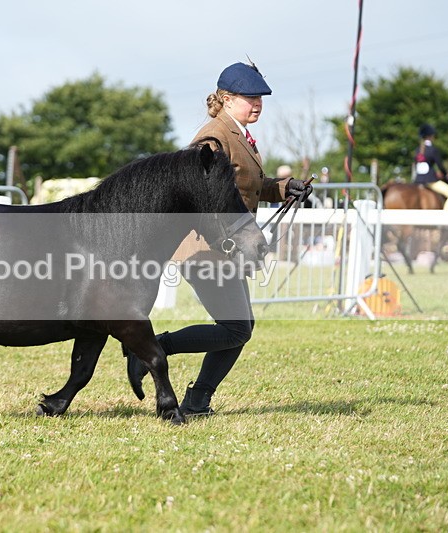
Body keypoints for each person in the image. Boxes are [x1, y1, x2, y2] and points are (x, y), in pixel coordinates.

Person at [124, 61, 312, 416]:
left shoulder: (238, 134)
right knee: (236, 328)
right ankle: (150, 349)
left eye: (260, 97)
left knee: (240, 327)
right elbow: (198, 192)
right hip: (206, 248)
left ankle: (197, 400)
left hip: (229, 247)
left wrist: (286, 187)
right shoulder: (213, 138)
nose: (257, 103)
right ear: (226, 98)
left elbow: (245, 188)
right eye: (248, 97)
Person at [414, 124, 448, 210]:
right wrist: (446, 176)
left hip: (418, 180)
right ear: (431, 136)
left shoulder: (417, 149)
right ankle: (444, 216)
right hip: (430, 181)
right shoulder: (433, 149)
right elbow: (440, 166)